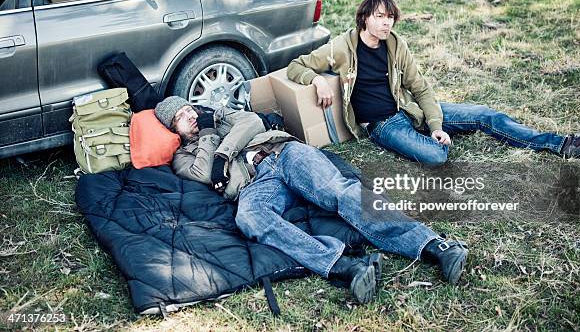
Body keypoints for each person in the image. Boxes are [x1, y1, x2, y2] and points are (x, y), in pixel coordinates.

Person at [154, 96, 469, 304]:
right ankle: (343, 267)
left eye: (189, 108)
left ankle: (432, 245)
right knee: (249, 218)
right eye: (181, 116)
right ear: (173, 128)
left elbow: (252, 123)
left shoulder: (221, 116)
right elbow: (202, 174)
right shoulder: (183, 158)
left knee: (340, 192)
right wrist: (208, 138)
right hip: (256, 185)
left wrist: (222, 152)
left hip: (285, 154)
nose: (190, 115)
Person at [286, 0, 580, 164]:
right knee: (436, 156)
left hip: (409, 110)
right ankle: (431, 136)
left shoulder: (396, 45)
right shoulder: (343, 47)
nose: (386, 24)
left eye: (390, 17)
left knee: (485, 115)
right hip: (383, 126)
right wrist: (315, 80)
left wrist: (435, 124)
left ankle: (562, 144)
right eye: (380, 17)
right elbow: (295, 66)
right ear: (365, 18)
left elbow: (420, 87)